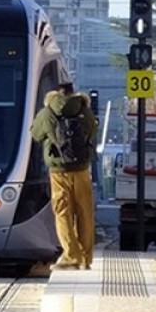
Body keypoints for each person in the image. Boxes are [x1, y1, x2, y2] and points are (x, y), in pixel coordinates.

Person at [29, 81, 98, 270]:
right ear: (73, 93)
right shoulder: (84, 111)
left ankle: (70, 256)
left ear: (56, 93)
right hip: (82, 169)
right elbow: (92, 131)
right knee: (85, 212)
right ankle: (85, 258)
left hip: (58, 171)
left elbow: (35, 135)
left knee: (62, 212)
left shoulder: (47, 112)